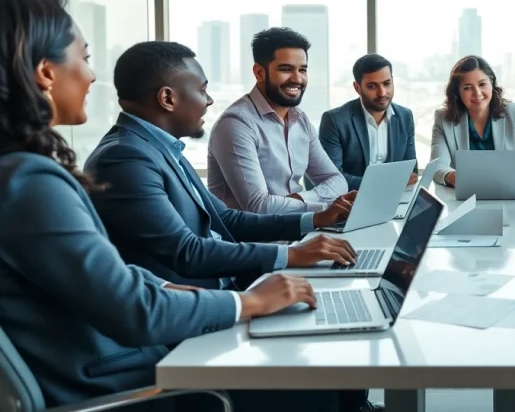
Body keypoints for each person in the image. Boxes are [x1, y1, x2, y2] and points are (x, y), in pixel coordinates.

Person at [0, 0, 350, 412]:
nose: (91, 76)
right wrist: (251, 301)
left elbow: (116, 274)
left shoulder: (33, 171)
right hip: (125, 380)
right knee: (313, 379)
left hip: (133, 353)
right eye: (85, 59)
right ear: (45, 72)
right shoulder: (33, 181)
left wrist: (307, 227)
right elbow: (135, 309)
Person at [85, 41, 361, 293]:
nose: (209, 100)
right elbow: (186, 252)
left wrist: (316, 219)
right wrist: (293, 255)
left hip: (229, 283)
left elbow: (227, 219)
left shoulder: (160, 147)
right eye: (202, 90)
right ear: (168, 99)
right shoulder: (126, 158)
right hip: (198, 304)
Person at [208, 27, 349, 214]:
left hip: (299, 226)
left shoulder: (300, 120)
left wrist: (300, 198)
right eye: (286, 69)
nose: (297, 79)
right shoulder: (236, 124)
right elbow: (259, 207)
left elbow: (337, 181)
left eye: (302, 70)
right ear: (259, 73)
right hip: (252, 232)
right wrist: (322, 205)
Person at [430, 55, 515, 187]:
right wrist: (451, 176)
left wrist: (508, 179)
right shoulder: (443, 119)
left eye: (482, 84)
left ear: (491, 83)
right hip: (464, 195)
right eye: (467, 87)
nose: (477, 93)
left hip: (507, 193)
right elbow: (437, 167)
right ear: (457, 92)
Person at [319, 53, 417, 190]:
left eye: (387, 83)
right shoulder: (335, 120)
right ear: (357, 87)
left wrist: (397, 182)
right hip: (351, 198)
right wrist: (385, 182)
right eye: (372, 86)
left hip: (396, 196)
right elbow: (333, 178)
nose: (382, 93)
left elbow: (411, 172)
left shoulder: (405, 116)